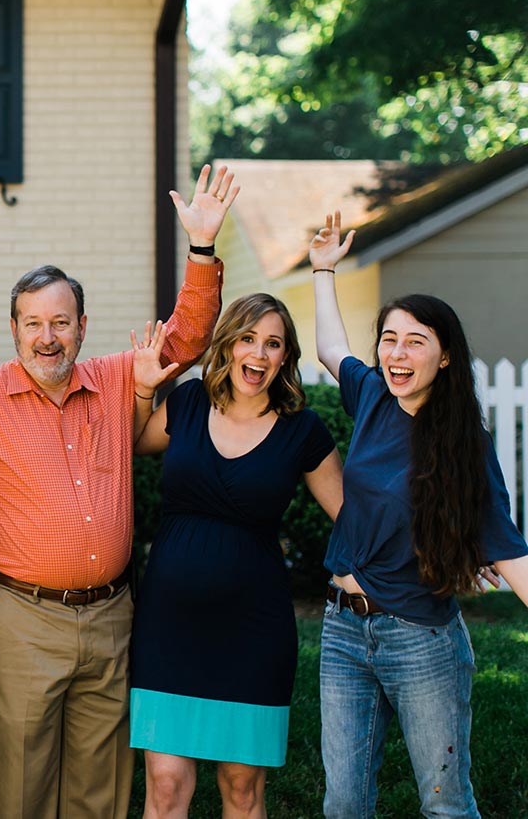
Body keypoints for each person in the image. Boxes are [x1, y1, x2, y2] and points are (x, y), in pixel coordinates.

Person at [0, 164, 234, 819]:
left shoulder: (115, 379)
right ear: (14, 328)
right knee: (22, 788)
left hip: (111, 615)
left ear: (82, 326)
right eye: (33, 323)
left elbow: (187, 339)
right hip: (22, 618)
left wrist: (201, 248)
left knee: (100, 790)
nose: (47, 337)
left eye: (61, 322)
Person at [309, 212, 528, 818]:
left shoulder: (465, 445)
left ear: (446, 357)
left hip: (421, 641)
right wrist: (324, 269)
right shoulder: (374, 395)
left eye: (415, 341)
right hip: (342, 630)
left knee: (446, 805)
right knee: (343, 805)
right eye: (389, 338)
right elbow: (331, 348)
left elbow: (508, 549)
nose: (396, 353)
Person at [128, 293, 343, 819]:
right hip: (169, 626)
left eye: (273, 344)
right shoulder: (188, 403)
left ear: (286, 357)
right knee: (165, 783)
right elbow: (127, 441)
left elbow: (354, 517)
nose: (260, 354)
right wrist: (142, 388)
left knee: (243, 790)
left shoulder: (302, 430)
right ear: (227, 345)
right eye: (249, 338)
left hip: (254, 631)